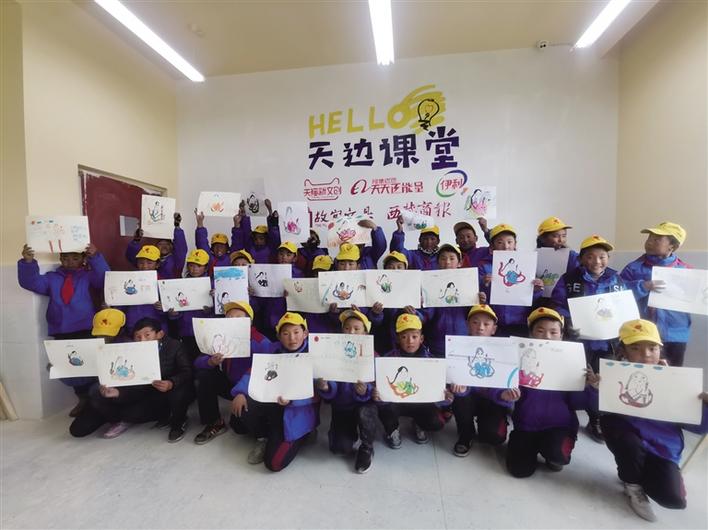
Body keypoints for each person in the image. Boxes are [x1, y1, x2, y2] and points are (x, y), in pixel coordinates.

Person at [599, 319, 708, 522]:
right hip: (630, 441)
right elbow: (595, 408)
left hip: (663, 448)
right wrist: (595, 388)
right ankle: (632, 484)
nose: (646, 354)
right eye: (635, 348)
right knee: (623, 439)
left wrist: (705, 407)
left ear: (660, 350)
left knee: (674, 500)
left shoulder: (676, 381)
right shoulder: (613, 376)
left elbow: (698, 427)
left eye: (652, 348)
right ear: (623, 352)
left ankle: (653, 474)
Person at [500, 307, 600, 478]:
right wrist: (506, 395)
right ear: (531, 334)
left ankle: (554, 452)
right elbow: (506, 392)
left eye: (553, 332)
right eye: (540, 331)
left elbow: (578, 403)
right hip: (526, 424)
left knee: (557, 455)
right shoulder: (519, 358)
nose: (547, 336)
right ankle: (529, 446)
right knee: (519, 470)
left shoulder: (572, 362)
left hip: (559, 425)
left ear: (561, 335)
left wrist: (591, 388)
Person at [551, 234, 627, 443]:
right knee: (574, 378)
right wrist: (567, 322)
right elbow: (558, 304)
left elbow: (624, 307)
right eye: (591, 256)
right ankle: (566, 414)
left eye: (602, 256)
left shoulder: (616, 279)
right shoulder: (569, 279)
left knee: (601, 382)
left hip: (607, 343)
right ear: (581, 258)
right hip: (578, 341)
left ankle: (596, 418)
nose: (597, 261)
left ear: (608, 258)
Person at [18, 242, 110, 415]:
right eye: (66, 258)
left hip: (86, 327)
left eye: (75, 258)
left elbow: (104, 278)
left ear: (83, 259)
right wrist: (28, 262)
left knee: (90, 364)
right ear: (60, 259)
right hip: (61, 329)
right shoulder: (52, 278)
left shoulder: (88, 276)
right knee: (70, 367)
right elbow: (32, 283)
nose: (70, 262)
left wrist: (95, 257)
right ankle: (82, 398)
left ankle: (96, 399)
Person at [70, 317, 194, 442]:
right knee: (78, 428)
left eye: (147, 335)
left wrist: (171, 383)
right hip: (130, 393)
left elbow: (187, 371)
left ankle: (175, 421)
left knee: (132, 413)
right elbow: (132, 383)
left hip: (160, 392)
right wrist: (117, 393)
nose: (142, 340)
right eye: (138, 337)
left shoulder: (174, 346)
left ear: (159, 334)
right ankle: (111, 416)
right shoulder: (128, 350)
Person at [231, 312, 318, 471]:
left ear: (305, 333)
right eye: (286, 333)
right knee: (239, 413)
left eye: (296, 332)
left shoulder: (314, 354)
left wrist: (292, 400)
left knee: (274, 464)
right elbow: (253, 372)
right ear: (278, 336)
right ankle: (264, 437)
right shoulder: (272, 349)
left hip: (296, 412)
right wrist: (240, 392)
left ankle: (305, 433)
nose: (292, 338)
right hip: (272, 404)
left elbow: (316, 394)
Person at [192, 301, 271, 445]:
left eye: (238, 317)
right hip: (231, 383)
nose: (233, 320)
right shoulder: (219, 337)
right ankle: (215, 422)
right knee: (203, 376)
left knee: (239, 427)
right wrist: (210, 362)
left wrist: (243, 392)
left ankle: (263, 431)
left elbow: (263, 372)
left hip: (251, 388)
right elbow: (197, 362)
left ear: (249, 321)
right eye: (229, 317)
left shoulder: (262, 342)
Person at [620, 222, 692, 366]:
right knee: (643, 373)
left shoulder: (687, 271)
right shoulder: (633, 268)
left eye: (657, 239)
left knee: (672, 373)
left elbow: (696, 299)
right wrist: (642, 286)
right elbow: (618, 294)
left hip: (675, 335)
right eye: (649, 238)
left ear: (672, 246)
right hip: (641, 333)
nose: (649, 242)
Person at [375, 313, 452, 447]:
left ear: (421, 338)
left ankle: (419, 423)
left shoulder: (432, 361)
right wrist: (378, 395)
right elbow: (383, 389)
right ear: (398, 339)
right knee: (384, 408)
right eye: (404, 337)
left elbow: (438, 394)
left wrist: (446, 398)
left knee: (437, 422)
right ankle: (392, 429)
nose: (410, 341)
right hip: (397, 402)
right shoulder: (387, 360)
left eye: (414, 337)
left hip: (420, 403)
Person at [315, 309, 378, 473]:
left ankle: (367, 447)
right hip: (342, 406)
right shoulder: (332, 354)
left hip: (364, 405)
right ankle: (345, 433)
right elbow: (330, 386)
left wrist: (366, 391)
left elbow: (378, 387)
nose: (351, 332)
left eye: (357, 329)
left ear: (365, 333)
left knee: (366, 413)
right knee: (339, 449)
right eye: (347, 328)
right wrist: (326, 387)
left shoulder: (373, 356)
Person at [449, 304, 511, 456]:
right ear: (467, 325)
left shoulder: (503, 351)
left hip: (492, 400)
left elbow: (505, 383)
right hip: (468, 398)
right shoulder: (457, 348)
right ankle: (466, 434)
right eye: (475, 322)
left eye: (486, 324)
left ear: (494, 329)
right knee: (460, 398)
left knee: (494, 437)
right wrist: (460, 390)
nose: (480, 328)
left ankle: (487, 425)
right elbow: (454, 379)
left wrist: (503, 395)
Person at [477, 224, 543, 336]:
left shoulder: (526, 264)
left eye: (509, 242)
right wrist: (484, 283)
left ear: (515, 244)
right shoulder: (484, 266)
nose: (505, 246)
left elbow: (532, 297)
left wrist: (537, 290)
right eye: (500, 242)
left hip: (521, 321)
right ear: (492, 247)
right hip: (494, 321)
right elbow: (479, 295)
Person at [169, 249, 214, 362]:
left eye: (199, 266)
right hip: (186, 330)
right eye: (191, 265)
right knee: (188, 359)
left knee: (205, 360)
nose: (194, 269)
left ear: (206, 267)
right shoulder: (180, 284)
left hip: (206, 330)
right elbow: (176, 309)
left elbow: (220, 311)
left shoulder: (212, 285)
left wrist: (210, 310)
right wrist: (174, 314)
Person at [126, 212, 187, 279]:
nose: (164, 246)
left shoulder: (176, 261)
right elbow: (132, 256)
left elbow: (181, 249)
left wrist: (177, 228)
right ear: (156, 246)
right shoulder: (147, 257)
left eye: (167, 244)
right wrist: (135, 241)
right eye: (160, 244)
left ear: (172, 246)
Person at [230, 199, 280, 264]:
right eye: (255, 239)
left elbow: (274, 233)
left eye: (261, 238)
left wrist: (270, 211)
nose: (258, 241)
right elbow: (247, 231)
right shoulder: (250, 247)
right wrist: (244, 215)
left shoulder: (271, 248)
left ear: (267, 238)